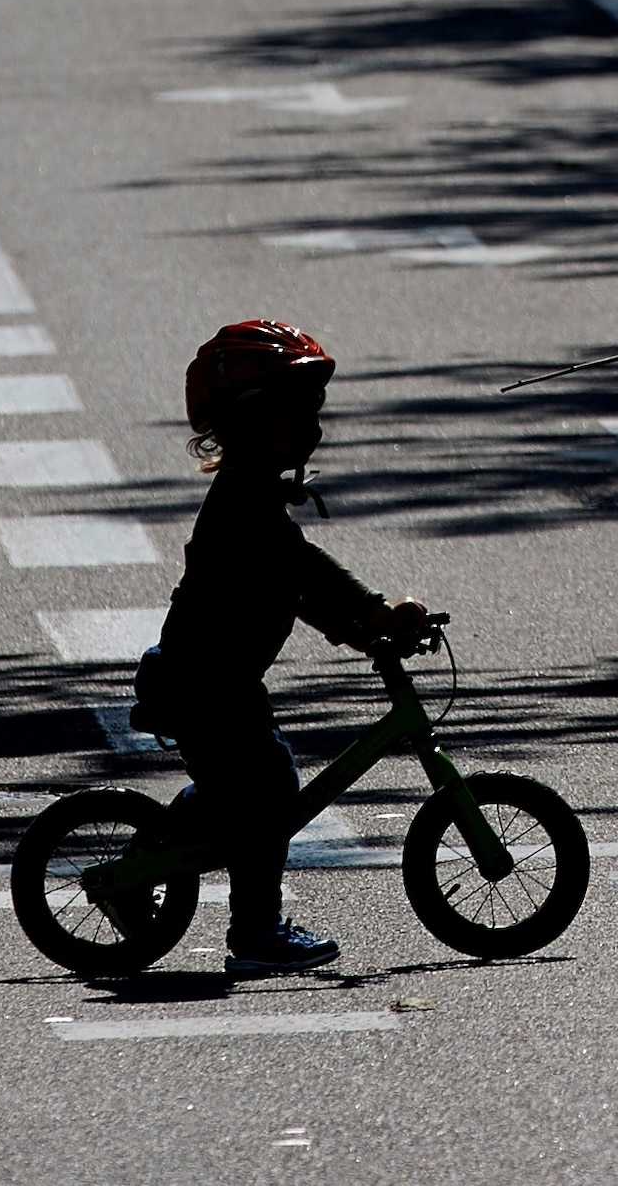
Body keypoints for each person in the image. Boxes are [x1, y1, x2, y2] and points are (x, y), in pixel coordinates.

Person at [128, 319, 439, 971]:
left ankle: (147, 856)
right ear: (246, 420)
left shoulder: (256, 498)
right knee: (267, 783)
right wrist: (376, 609)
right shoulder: (244, 506)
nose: (315, 427)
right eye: (297, 412)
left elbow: (295, 588)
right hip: (206, 684)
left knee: (235, 787)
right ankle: (255, 932)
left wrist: (361, 630)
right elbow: (304, 572)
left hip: (216, 680)